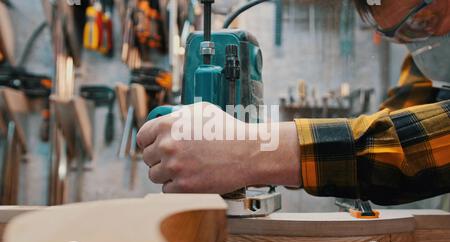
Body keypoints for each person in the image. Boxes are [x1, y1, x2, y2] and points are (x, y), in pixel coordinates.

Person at [136, 0, 450, 206]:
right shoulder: (429, 61)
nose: (420, 42)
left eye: (423, 21)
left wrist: (255, 152)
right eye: (400, 36)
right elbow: (395, 125)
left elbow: (420, 144)